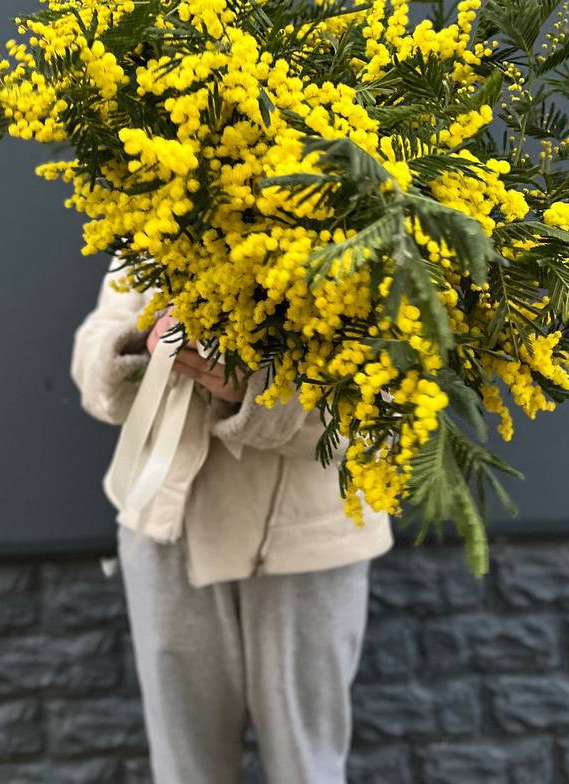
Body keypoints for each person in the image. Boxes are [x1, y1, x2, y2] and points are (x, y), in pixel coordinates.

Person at [70, 255, 394, 784]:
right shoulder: (154, 221)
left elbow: (383, 411)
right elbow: (95, 351)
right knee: (184, 772)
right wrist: (146, 347)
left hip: (304, 549)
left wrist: (255, 390)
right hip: (167, 532)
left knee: (306, 769)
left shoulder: (367, 231)